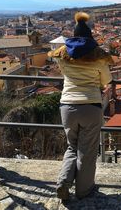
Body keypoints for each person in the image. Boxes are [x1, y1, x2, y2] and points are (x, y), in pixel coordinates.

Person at [48, 12, 113, 200]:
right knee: (87, 151)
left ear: (73, 36)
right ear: (90, 36)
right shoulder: (98, 57)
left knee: (71, 146)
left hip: (67, 106)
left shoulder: (62, 55)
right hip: (91, 106)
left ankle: (63, 182)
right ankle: (84, 190)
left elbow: (63, 73)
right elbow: (106, 80)